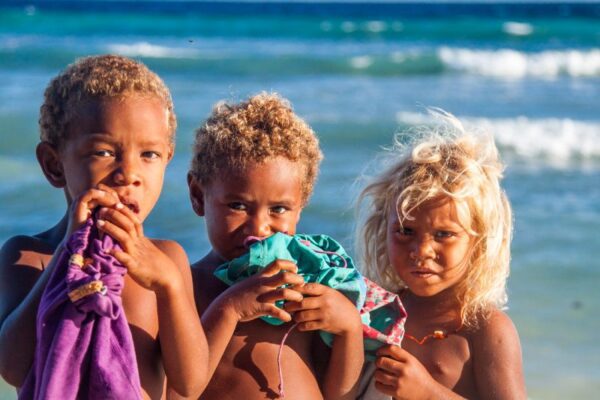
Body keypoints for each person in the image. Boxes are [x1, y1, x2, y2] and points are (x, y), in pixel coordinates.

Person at [0, 55, 209, 399]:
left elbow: (190, 382)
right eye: (104, 152)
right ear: (54, 165)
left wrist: (169, 285)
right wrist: (68, 251)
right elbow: (11, 366)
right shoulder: (29, 256)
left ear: (168, 159)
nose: (129, 174)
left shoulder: (168, 260)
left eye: (149, 155)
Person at [187, 92, 364, 399]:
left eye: (279, 209)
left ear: (301, 207)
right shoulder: (188, 287)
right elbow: (180, 390)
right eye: (238, 205)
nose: (259, 227)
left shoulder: (306, 286)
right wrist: (229, 309)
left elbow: (339, 394)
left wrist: (349, 329)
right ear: (198, 195)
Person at [354, 110, 527, 399]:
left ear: (479, 242)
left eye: (443, 235)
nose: (421, 251)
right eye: (406, 231)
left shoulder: (485, 331)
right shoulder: (375, 313)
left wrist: (429, 393)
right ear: (383, 230)